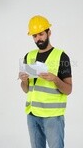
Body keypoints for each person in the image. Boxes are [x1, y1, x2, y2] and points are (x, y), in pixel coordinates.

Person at [19, 15, 72, 148]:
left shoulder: (61, 56)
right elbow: (26, 89)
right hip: (32, 114)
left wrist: (55, 79)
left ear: (49, 32)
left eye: (41, 34)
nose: (38, 39)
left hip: (52, 116)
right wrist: (24, 81)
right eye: (35, 36)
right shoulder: (29, 56)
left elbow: (68, 89)